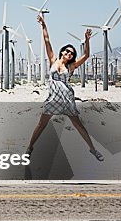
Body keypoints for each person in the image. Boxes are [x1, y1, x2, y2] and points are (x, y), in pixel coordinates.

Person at [27, 14, 103, 160]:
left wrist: (86, 40)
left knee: (78, 125)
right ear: (62, 52)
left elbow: (86, 55)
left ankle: (93, 149)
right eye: (67, 51)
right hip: (53, 98)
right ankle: (30, 147)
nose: (69, 53)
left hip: (67, 98)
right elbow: (47, 41)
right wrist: (43, 25)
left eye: (72, 53)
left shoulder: (72, 66)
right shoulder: (53, 60)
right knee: (41, 124)